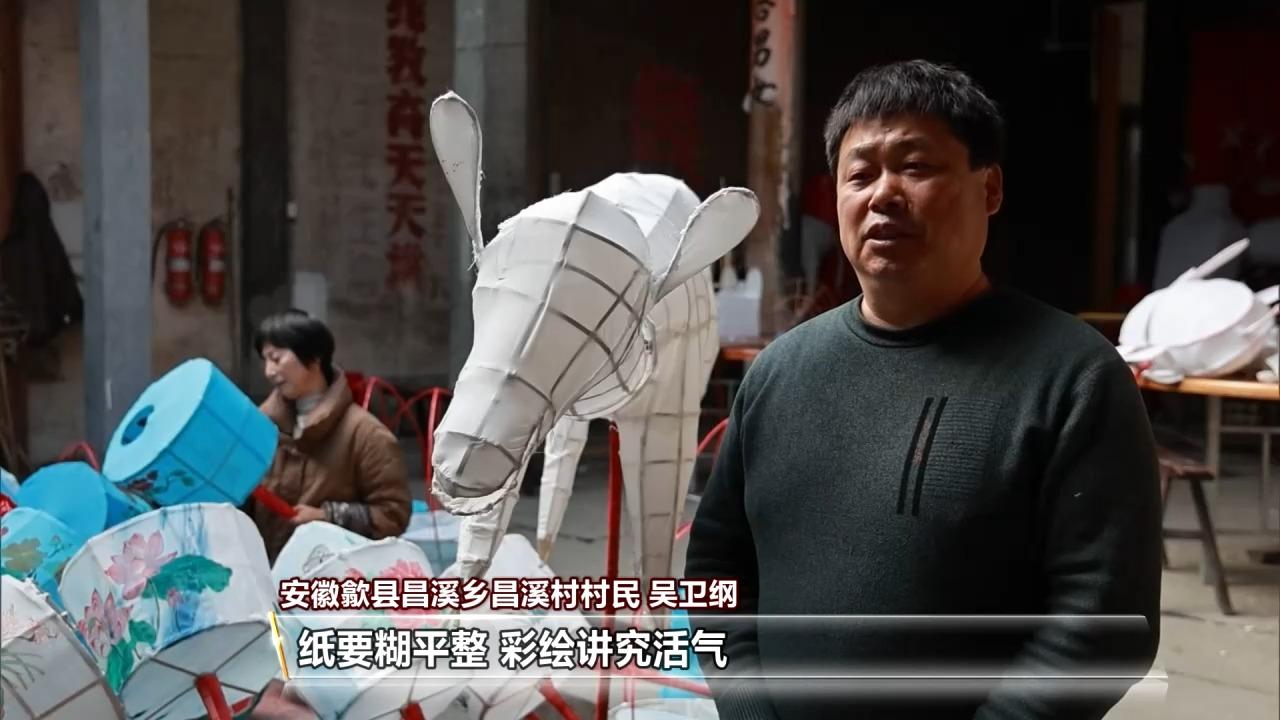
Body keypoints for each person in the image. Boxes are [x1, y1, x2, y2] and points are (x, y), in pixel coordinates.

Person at [685, 60, 1162, 719]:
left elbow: (1104, 625)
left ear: (989, 188)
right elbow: (717, 570)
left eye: (915, 166)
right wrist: (747, 709)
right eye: (860, 175)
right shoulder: (779, 373)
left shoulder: (1072, 378)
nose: (883, 195)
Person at [246, 309, 411, 562]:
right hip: (264, 573)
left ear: (314, 357)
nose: (269, 371)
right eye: (265, 360)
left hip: (332, 576)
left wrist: (327, 516)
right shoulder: (261, 427)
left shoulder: (366, 434)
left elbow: (392, 514)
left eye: (276, 359)